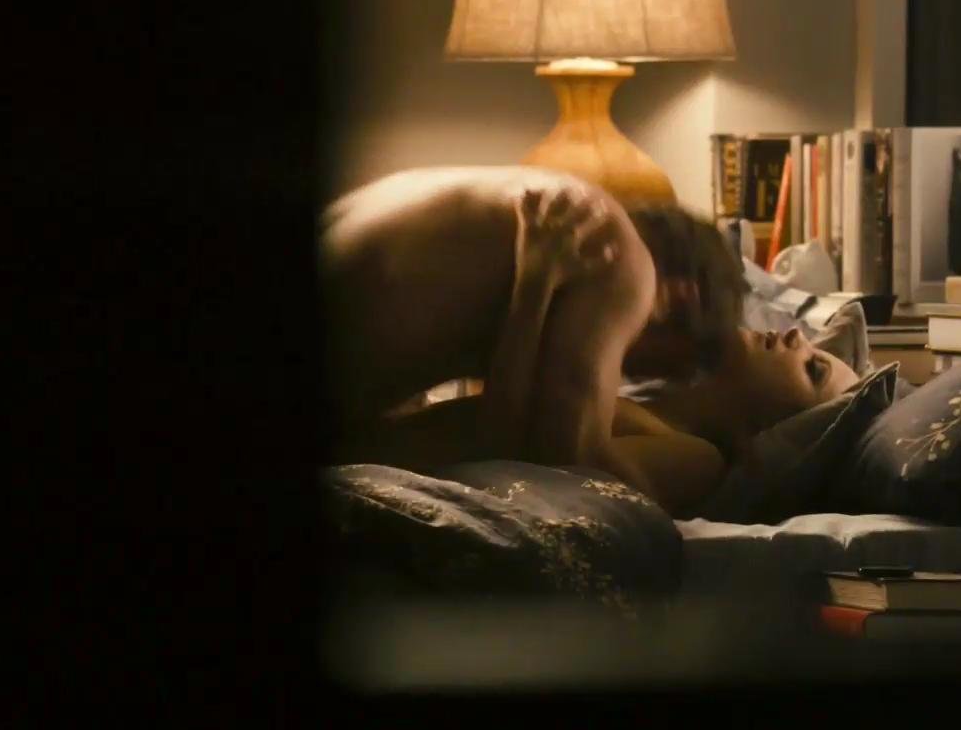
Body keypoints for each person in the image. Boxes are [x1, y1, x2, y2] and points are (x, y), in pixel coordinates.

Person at [321, 166, 749, 490]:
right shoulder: (612, 254)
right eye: (644, 367)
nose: (620, 376)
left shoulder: (557, 208)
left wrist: (533, 289)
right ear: (681, 297)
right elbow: (567, 467)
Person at [347, 325, 859, 517]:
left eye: (813, 368)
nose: (797, 336)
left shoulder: (697, 458)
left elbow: (568, 460)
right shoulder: (646, 400)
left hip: (373, 463)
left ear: (772, 426)